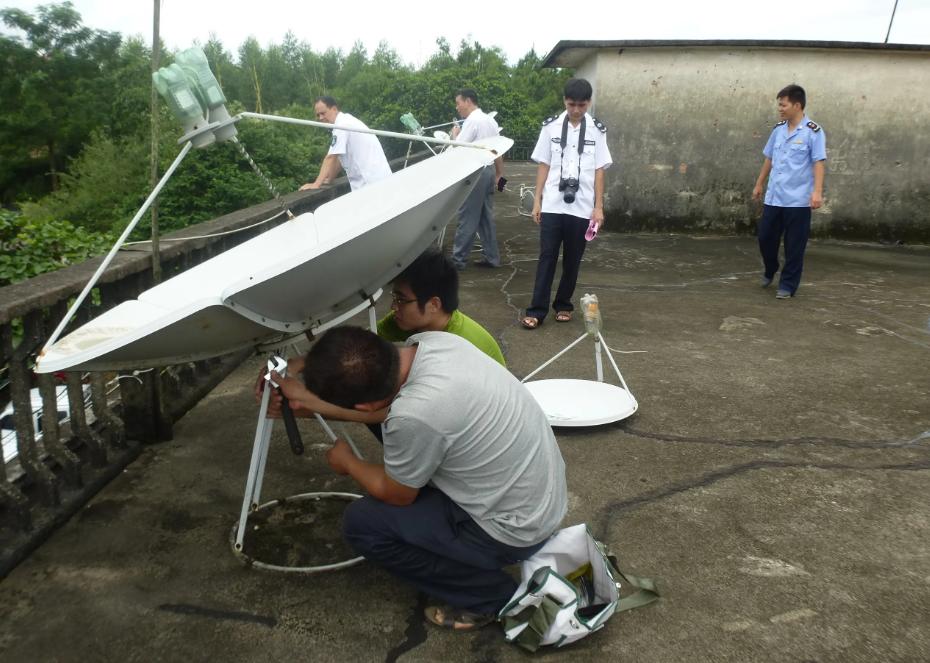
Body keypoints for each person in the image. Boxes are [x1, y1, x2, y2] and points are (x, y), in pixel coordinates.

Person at [277, 326, 567, 630]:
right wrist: (306, 393)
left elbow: (397, 493)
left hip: (514, 531)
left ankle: (491, 598)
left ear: (367, 405)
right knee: (393, 431)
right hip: (539, 497)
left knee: (363, 524)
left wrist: (349, 462)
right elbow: (383, 411)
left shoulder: (415, 415)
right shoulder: (435, 343)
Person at [522, 78, 611, 330]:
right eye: (571, 104)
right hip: (552, 203)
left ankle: (563, 304)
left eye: (582, 105)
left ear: (589, 103)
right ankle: (536, 310)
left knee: (573, 259)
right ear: (564, 101)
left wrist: (598, 206)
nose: (576, 110)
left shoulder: (597, 130)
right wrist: (537, 201)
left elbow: (600, 170)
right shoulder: (550, 128)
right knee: (547, 257)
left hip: (582, 206)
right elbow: (544, 164)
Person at [751, 84, 827, 299]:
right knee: (765, 238)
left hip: (798, 200)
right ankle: (770, 268)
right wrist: (759, 184)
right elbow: (769, 158)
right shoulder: (778, 129)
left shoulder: (814, 132)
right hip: (774, 197)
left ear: (797, 105)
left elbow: (818, 162)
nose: (780, 109)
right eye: (779, 105)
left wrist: (817, 192)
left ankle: (788, 284)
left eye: (783, 105)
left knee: (795, 246)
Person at [377, 249, 505, 366]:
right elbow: (368, 339)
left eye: (401, 300)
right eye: (394, 298)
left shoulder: (459, 347)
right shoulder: (404, 321)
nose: (393, 307)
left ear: (434, 305)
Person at [449, 88, 505, 271]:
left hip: (475, 172)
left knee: (467, 215)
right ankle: (492, 257)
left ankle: (458, 260)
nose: (457, 107)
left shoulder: (472, 121)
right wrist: (499, 174)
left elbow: (459, 149)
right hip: (488, 170)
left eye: (458, 103)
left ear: (468, 101)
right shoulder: (489, 120)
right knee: (484, 217)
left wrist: (454, 135)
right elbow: (497, 149)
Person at [300, 96, 392, 192]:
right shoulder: (346, 120)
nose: (321, 118)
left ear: (334, 109)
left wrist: (316, 184)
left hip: (370, 183)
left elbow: (330, 157)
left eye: (323, 113)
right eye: (318, 115)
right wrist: (330, 179)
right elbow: (339, 158)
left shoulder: (341, 125)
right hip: (379, 179)